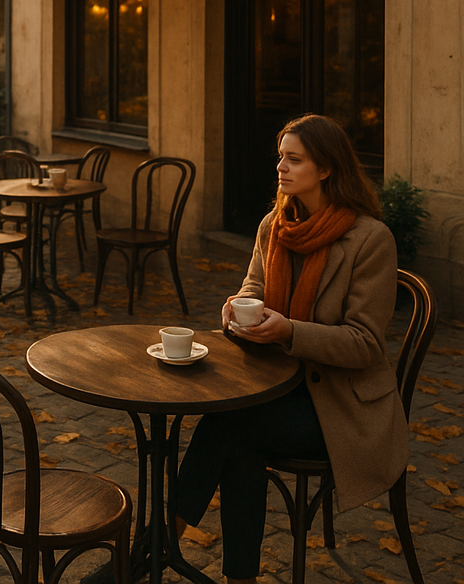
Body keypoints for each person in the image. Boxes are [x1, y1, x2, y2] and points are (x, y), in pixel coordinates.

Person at [173, 113, 409, 584]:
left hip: (341, 407)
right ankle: (226, 573)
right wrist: (235, 309)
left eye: (294, 159)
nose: (280, 167)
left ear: (326, 168)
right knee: (236, 431)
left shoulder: (370, 239)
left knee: (231, 424)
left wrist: (290, 332)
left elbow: (365, 344)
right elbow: (252, 288)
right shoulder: (274, 225)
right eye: (280, 156)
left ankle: (156, 547)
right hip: (274, 384)